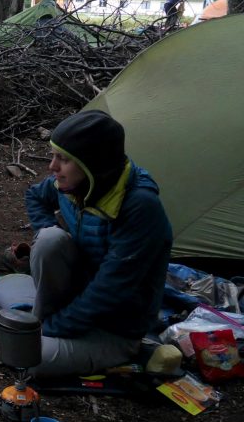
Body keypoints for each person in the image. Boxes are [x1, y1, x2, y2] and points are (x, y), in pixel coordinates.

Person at [25, 110, 173, 377]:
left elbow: (111, 289)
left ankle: (50, 330)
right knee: (49, 239)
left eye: (63, 159)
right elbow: (35, 196)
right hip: (78, 301)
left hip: (115, 326)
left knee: (29, 359)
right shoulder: (74, 186)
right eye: (53, 155)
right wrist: (50, 229)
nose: (52, 167)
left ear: (92, 164)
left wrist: (53, 327)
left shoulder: (139, 207)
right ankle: (45, 323)